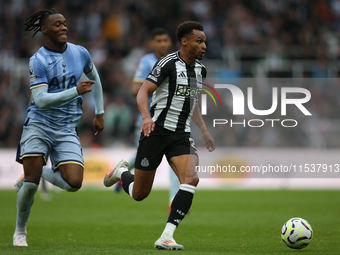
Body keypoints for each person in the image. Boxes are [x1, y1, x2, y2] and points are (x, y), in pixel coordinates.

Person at [104, 21, 215, 250]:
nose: (204, 46)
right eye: (199, 41)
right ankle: (122, 173)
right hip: (155, 132)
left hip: (181, 135)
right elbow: (143, 91)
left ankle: (167, 235)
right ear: (184, 41)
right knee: (139, 194)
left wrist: (203, 130)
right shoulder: (167, 64)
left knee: (191, 179)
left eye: (205, 41)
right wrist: (146, 118)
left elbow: (191, 102)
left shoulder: (200, 70)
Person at [13, 8, 105, 246]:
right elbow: (41, 100)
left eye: (64, 24)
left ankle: (35, 172)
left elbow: (94, 79)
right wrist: (75, 91)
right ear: (44, 30)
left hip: (66, 127)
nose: (64, 28)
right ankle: (20, 230)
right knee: (32, 187)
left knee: (74, 183)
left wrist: (100, 112)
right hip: (40, 124)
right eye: (57, 25)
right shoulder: (38, 60)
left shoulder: (80, 52)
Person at [116, 28, 179, 210]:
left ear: (170, 43)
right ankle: (121, 173)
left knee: (173, 158)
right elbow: (136, 89)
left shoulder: (176, 61)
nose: (162, 44)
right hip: (148, 120)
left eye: (165, 40)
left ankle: (173, 200)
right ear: (152, 43)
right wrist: (158, 84)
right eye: (158, 40)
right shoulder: (147, 61)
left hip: (170, 120)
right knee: (142, 157)